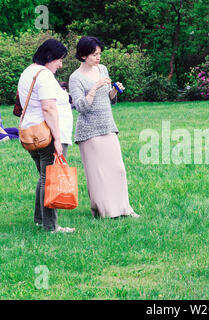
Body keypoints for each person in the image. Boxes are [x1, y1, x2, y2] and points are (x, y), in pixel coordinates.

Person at [69, 36, 139, 219]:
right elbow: (81, 107)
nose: (98, 58)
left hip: (108, 125)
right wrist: (94, 87)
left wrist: (114, 90)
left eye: (99, 54)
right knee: (98, 174)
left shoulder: (103, 69)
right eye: (94, 54)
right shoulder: (75, 78)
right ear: (83, 56)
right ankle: (105, 212)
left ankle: (124, 209)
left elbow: (108, 99)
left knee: (118, 169)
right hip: (89, 131)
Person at [17, 38, 75, 233]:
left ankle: (40, 220)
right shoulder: (44, 75)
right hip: (46, 134)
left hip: (31, 132)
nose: (61, 64)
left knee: (44, 177)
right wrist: (58, 139)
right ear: (49, 57)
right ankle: (51, 226)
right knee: (51, 179)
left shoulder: (28, 72)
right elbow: (48, 107)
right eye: (59, 59)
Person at [57, 82, 73, 158]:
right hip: (61, 133)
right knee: (60, 161)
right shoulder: (63, 96)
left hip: (63, 132)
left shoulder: (65, 96)